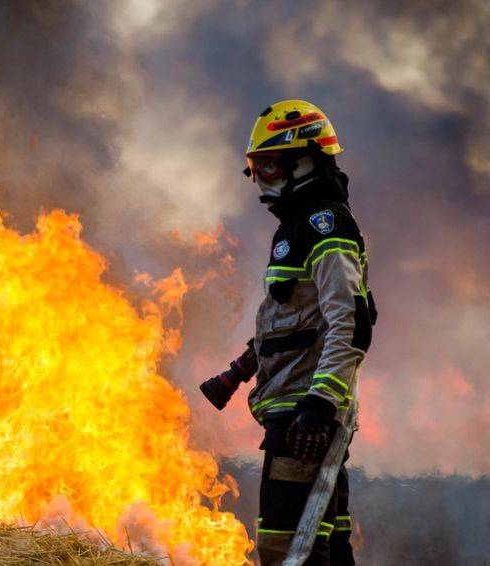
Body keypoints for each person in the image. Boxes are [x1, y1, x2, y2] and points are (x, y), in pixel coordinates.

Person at [200, 100, 376, 565]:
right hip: (297, 413)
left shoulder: (325, 225)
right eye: (255, 168)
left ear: (306, 160)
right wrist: (238, 372)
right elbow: (289, 323)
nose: (261, 179)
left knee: (284, 550)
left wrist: (319, 405)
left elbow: (350, 323)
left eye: (270, 165)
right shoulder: (296, 230)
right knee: (327, 546)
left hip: (304, 416)